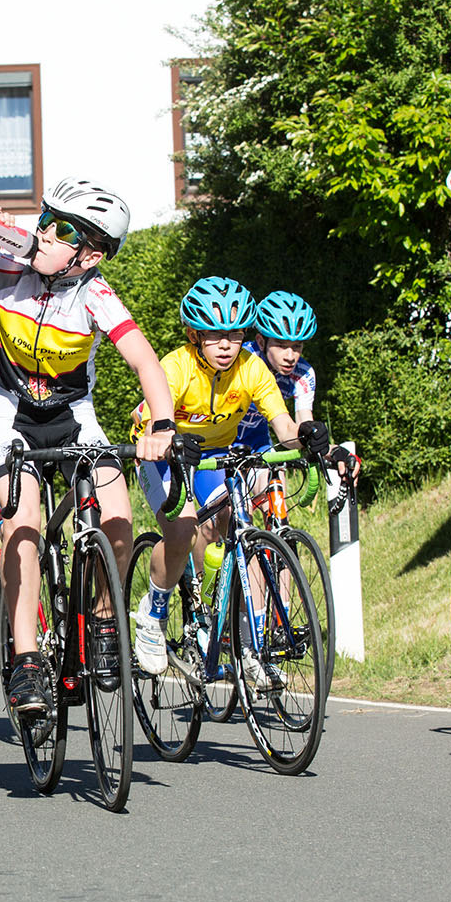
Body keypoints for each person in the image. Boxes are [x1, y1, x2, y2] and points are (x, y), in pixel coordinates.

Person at [0, 177, 178, 717]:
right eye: (45, 219)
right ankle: (27, 660)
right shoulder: (5, 267)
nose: (45, 233)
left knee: (119, 517)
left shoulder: (96, 294)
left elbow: (146, 362)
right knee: (21, 524)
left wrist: (163, 426)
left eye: (63, 230)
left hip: (76, 421)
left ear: (91, 254)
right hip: (13, 422)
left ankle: (104, 617)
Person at [128, 278, 319, 677]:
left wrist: (305, 438)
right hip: (164, 453)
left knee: (238, 522)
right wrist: (163, 440)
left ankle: (227, 619)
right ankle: (154, 610)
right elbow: (151, 422)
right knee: (181, 532)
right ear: (194, 336)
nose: (227, 345)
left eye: (234, 334)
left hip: (214, 456)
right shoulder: (176, 365)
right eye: (215, 336)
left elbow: (281, 422)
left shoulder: (251, 368)